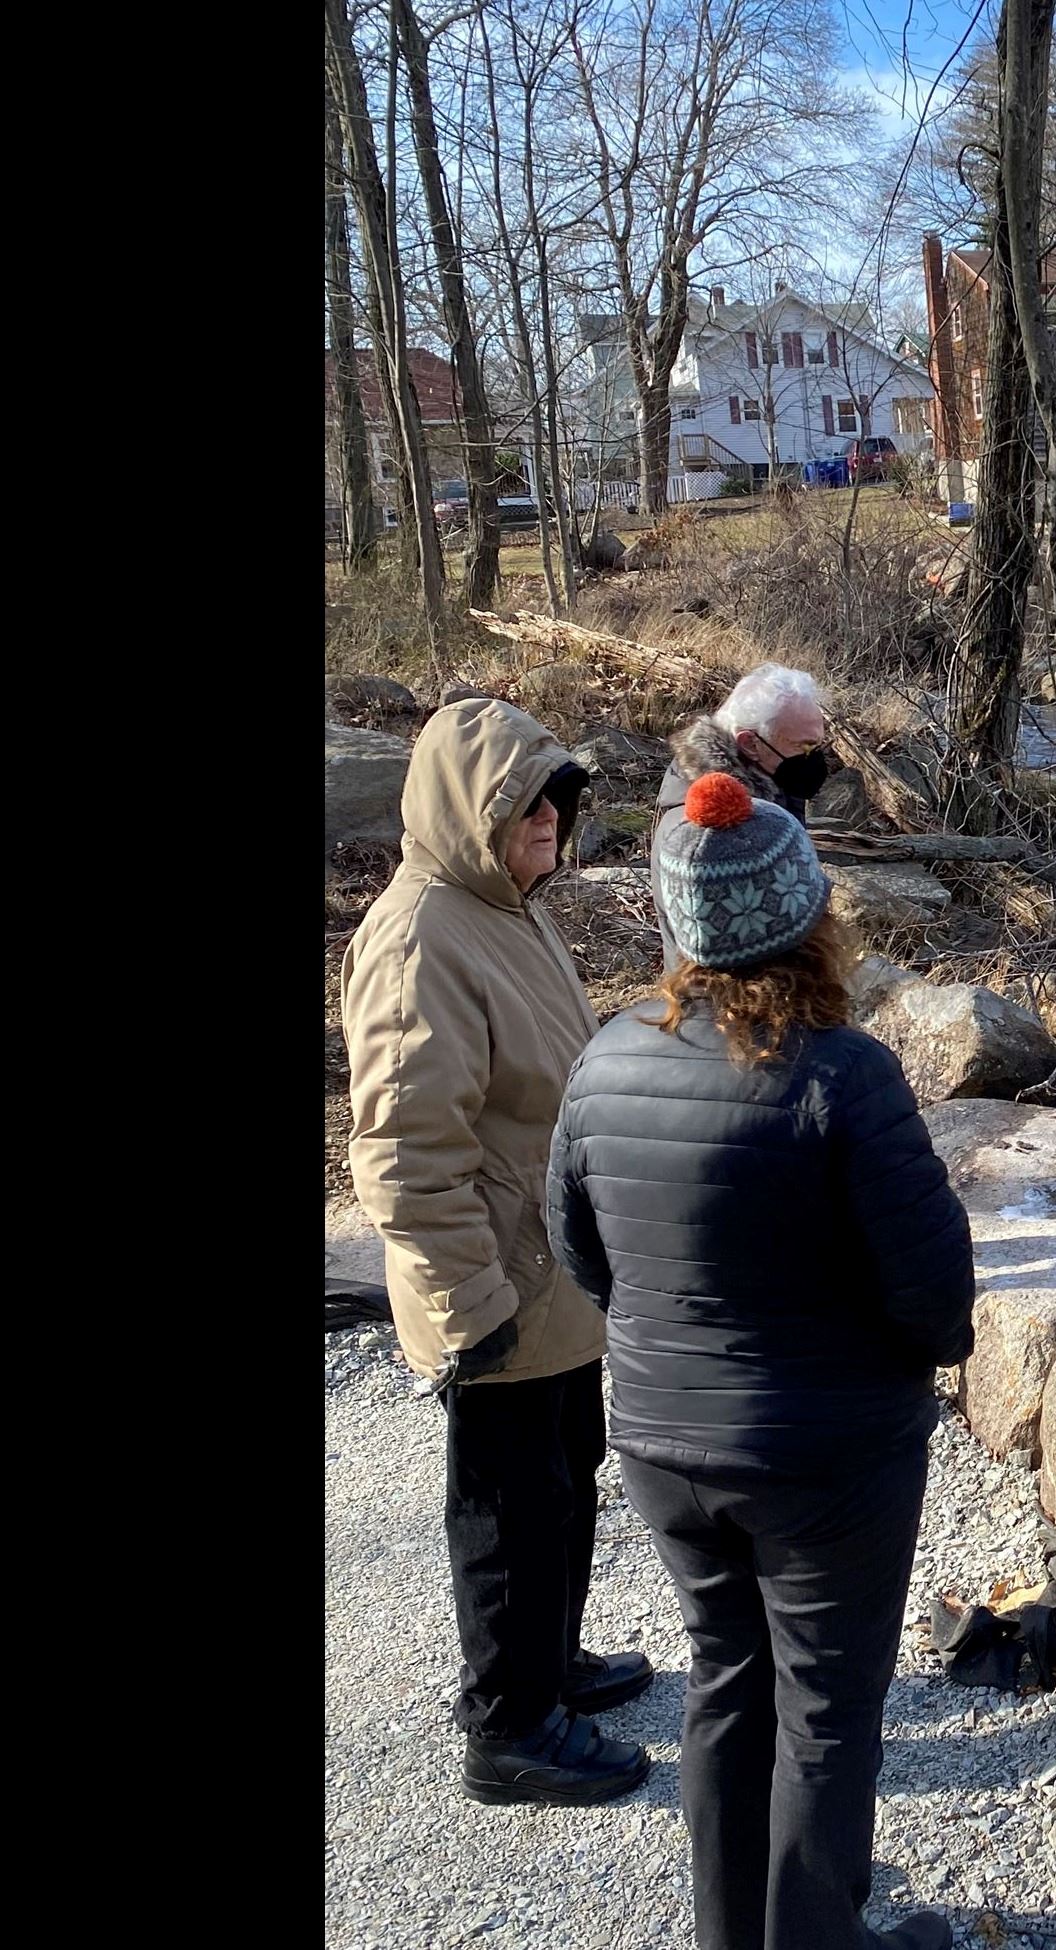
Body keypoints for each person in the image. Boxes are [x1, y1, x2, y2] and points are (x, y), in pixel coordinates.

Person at [548, 772, 976, 1950]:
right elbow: (936, 1297)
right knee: (825, 1713)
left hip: (663, 1447)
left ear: (679, 927)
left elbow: (580, 1254)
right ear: (806, 917)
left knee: (725, 1682)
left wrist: (671, 1343)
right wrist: (909, 1363)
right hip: (826, 1461)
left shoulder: (606, 1056)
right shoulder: (843, 1074)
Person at [340, 698, 656, 1807]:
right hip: (498, 1292)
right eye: (526, 806)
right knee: (508, 1512)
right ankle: (509, 1728)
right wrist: (471, 1307)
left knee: (565, 1482)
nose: (548, 822)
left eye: (557, 802)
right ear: (470, 813)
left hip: (551, 1274)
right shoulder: (420, 939)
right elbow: (401, 1156)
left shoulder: (506, 909)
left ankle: (549, 1666)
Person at [650, 662, 842, 967]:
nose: (815, 758)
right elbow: (720, 959)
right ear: (750, 743)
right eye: (805, 747)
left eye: (818, 744)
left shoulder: (772, 778)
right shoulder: (703, 830)